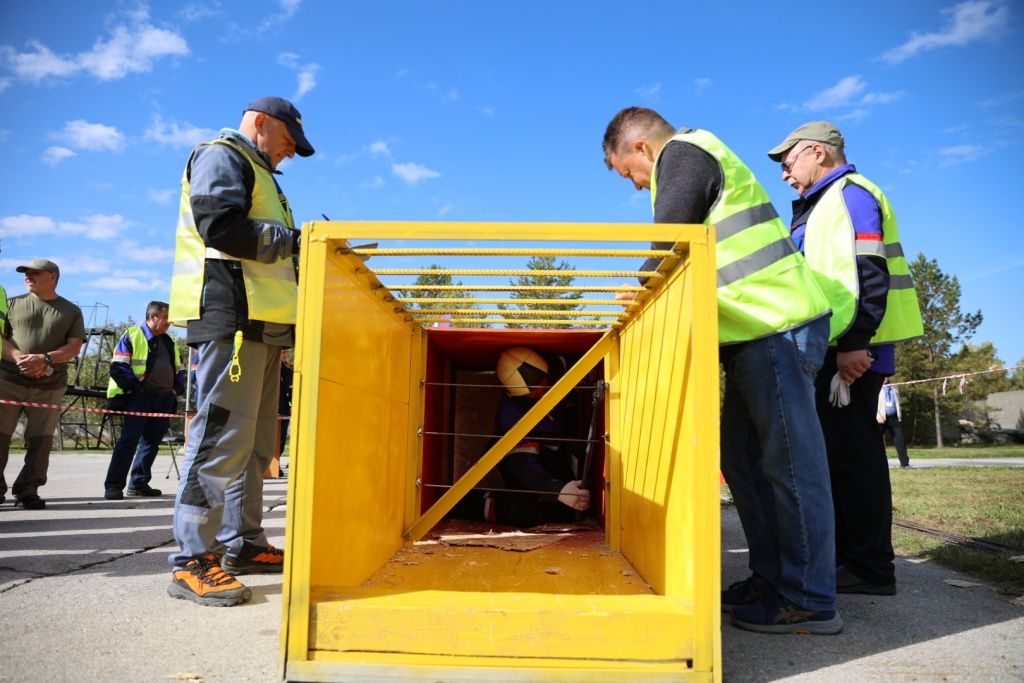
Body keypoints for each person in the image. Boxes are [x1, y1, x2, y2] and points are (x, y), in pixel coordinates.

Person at [603, 107, 841, 634]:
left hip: (777, 322)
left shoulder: (683, 154)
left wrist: (638, 292)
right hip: (748, 333)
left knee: (789, 467)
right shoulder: (688, 157)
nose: (635, 184)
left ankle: (808, 597)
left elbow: (671, 243)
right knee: (744, 461)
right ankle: (771, 579)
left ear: (641, 149)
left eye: (628, 173)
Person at [166, 96, 313, 607]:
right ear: (262, 123)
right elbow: (220, 227)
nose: (290, 154)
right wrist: (299, 243)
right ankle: (190, 559)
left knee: (254, 449)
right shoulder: (221, 155)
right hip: (233, 320)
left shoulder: (262, 173)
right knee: (220, 441)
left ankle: (242, 544)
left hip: (265, 328)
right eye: (289, 142)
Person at [767, 121, 923, 597]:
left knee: (855, 459)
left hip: (852, 350)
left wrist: (856, 343)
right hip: (837, 347)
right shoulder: (824, 203)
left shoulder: (850, 195)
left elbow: (868, 270)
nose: (786, 175)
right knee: (838, 458)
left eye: (789, 162)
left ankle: (871, 568)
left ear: (817, 152)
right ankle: (846, 561)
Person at [0, 259, 85, 510]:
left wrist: (45, 359)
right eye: (26, 274)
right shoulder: (11, 304)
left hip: (50, 384)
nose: (28, 277)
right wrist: (18, 358)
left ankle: (28, 490)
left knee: (40, 440)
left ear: (52, 277)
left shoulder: (71, 310)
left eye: (34, 273)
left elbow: (74, 346)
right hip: (8, 380)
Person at [103, 301, 185, 500]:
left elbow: (179, 370)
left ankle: (139, 483)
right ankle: (113, 486)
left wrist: (176, 389)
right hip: (139, 399)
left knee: (151, 443)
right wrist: (137, 389)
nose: (169, 322)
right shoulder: (132, 335)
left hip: (164, 400)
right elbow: (118, 367)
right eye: (166, 317)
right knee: (128, 441)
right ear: (153, 316)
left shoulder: (169, 341)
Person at [877, 378, 910, 468]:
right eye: (882, 377)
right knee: (875, 441)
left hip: (894, 418)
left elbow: (897, 402)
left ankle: (904, 464)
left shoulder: (894, 388)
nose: (884, 378)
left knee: (900, 440)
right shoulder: (876, 387)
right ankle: (875, 464)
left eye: (886, 377)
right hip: (881, 418)